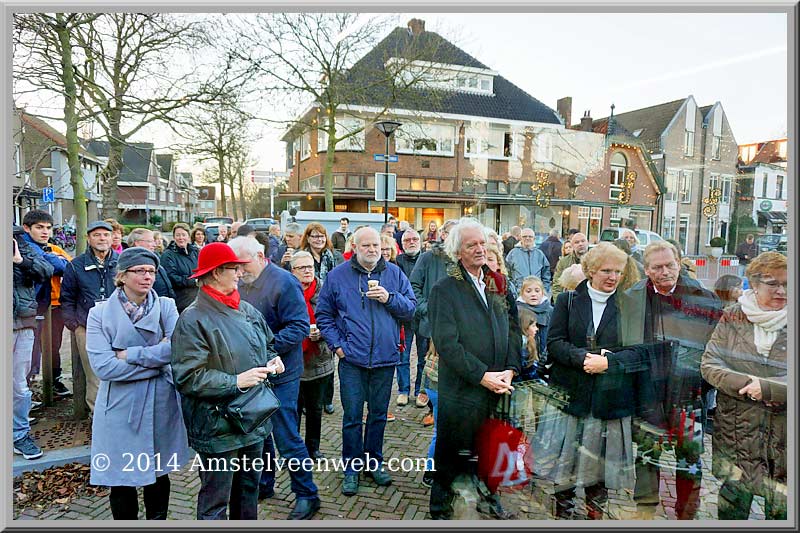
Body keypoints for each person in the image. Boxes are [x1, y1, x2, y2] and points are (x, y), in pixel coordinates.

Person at [170, 242, 285, 520]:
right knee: (216, 499)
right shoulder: (192, 319)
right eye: (234, 268)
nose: (239, 274)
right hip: (217, 424)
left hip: (253, 417)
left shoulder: (246, 309)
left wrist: (273, 360)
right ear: (215, 273)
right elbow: (188, 377)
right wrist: (236, 381)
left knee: (248, 490)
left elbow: (267, 344)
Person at [534, 243, 645, 519]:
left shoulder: (629, 305)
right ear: (590, 271)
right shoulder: (567, 301)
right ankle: (565, 514)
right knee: (565, 466)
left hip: (609, 399)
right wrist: (581, 358)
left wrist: (610, 361)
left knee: (601, 471)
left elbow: (638, 351)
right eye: (606, 271)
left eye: (618, 272)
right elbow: (555, 343)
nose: (613, 277)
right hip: (572, 397)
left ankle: (595, 515)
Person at [619, 241, 722, 520]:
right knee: (646, 455)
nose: (665, 272)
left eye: (670, 265)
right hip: (647, 394)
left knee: (689, 459)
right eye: (657, 267)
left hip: (689, 395)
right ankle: (645, 511)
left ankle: (686, 514)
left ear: (679, 262)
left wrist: (701, 387)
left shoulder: (705, 299)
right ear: (646, 269)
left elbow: (715, 350)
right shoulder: (631, 298)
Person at [427, 218, 522, 520]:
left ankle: (488, 498)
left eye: (482, 242)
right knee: (451, 452)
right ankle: (441, 508)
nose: (480, 249)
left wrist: (510, 369)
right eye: (472, 245)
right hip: (462, 390)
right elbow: (447, 344)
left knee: (488, 448)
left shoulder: (498, 283)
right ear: (458, 252)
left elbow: (514, 330)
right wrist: (482, 375)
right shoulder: (445, 289)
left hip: (498, 386)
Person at [85, 247, 190, 520]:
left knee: (158, 473)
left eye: (152, 271)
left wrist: (131, 355)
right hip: (119, 406)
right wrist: (156, 364)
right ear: (122, 276)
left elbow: (176, 351)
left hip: (159, 402)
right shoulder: (99, 314)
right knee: (120, 476)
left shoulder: (166, 306)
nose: (147, 277)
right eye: (140, 271)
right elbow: (104, 367)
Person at [315, 227, 416, 496]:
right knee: (351, 417)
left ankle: (374, 462)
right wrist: (338, 346)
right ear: (355, 247)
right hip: (352, 361)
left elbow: (411, 307)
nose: (372, 250)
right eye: (366, 246)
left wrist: (389, 298)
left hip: (385, 359)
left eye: (376, 246)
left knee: (379, 415)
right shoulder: (338, 276)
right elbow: (323, 315)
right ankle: (351, 467)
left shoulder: (394, 274)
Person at [228, 236, 320, 520]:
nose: (238, 271)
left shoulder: (284, 282)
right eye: (235, 266)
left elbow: (299, 327)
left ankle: (307, 493)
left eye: (242, 264)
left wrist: (264, 350)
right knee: (258, 430)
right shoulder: (241, 283)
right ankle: (264, 483)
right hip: (254, 371)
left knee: (285, 433)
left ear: (259, 255)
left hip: (282, 372)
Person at [701, 252, 787, 520]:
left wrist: (770, 388)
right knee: (732, 510)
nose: (782, 290)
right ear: (754, 283)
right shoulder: (733, 316)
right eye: (773, 283)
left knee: (782, 511)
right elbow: (709, 364)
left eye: (788, 283)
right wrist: (747, 383)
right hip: (738, 433)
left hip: (785, 437)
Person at [60, 220, 119, 414]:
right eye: (96, 235)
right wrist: (74, 325)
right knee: (95, 376)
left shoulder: (122, 263)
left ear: (112, 238)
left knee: (121, 371)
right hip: (87, 328)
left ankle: (119, 417)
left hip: (119, 327)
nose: (102, 239)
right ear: (88, 238)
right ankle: (98, 418)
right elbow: (67, 298)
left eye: (105, 235)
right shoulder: (76, 265)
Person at [289, 250, 335, 463]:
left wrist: (321, 333)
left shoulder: (325, 291)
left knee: (315, 408)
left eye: (310, 267)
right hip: (293, 359)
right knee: (294, 408)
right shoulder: (287, 292)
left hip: (319, 358)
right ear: (292, 271)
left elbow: (335, 320)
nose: (308, 271)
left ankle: (313, 447)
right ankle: (294, 448)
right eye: (302, 267)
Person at [20, 210, 72, 396]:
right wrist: (53, 260)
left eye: (48, 228)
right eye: (39, 228)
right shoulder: (26, 247)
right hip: (29, 307)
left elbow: (67, 266)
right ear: (27, 228)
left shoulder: (49, 248)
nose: (45, 232)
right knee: (29, 349)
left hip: (49, 304)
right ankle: (25, 390)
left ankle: (52, 381)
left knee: (51, 346)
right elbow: (55, 266)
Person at [13, 229, 54, 460]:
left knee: (19, 386)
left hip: (21, 322)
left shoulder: (20, 242)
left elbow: (46, 270)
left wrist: (19, 260)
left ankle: (19, 435)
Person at [409, 219, 457, 414]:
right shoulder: (428, 258)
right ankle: (431, 407)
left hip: (456, 325)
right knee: (427, 364)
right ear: (443, 235)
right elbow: (413, 286)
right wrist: (425, 309)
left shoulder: (463, 259)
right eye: (453, 233)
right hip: (430, 323)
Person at [394, 229, 424, 408]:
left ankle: (421, 391)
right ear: (402, 244)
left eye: (415, 239)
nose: (411, 242)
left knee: (423, 358)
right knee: (402, 356)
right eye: (407, 240)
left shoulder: (427, 260)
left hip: (422, 317)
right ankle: (403, 390)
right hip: (404, 317)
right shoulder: (397, 262)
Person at [515, 276, 553, 379]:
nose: (533, 294)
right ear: (522, 294)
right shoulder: (517, 311)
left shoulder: (550, 311)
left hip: (546, 360)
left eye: (537, 291)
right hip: (526, 361)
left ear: (542, 292)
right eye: (528, 291)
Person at [160, 223, 199, 313]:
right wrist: (193, 281)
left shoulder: (195, 252)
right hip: (181, 300)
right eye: (178, 235)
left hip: (196, 297)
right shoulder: (168, 255)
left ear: (188, 237)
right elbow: (171, 277)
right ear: (174, 237)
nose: (181, 238)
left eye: (183, 235)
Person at [127, 228, 175, 299]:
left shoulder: (155, 258)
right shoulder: (131, 263)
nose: (154, 244)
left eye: (153, 241)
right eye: (150, 241)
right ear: (137, 243)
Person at [505, 227, 552, 294]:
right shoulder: (513, 254)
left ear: (534, 239)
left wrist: (543, 291)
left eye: (530, 236)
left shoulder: (540, 254)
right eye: (524, 236)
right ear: (520, 238)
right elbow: (507, 274)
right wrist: (514, 291)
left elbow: (546, 275)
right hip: (519, 294)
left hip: (537, 295)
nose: (527, 238)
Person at [552, 232, 589, 300]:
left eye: (583, 241)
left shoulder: (595, 261)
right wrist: (559, 303)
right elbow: (557, 285)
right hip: (569, 300)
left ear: (587, 242)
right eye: (577, 242)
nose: (580, 244)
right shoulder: (563, 262)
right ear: (572, 245)